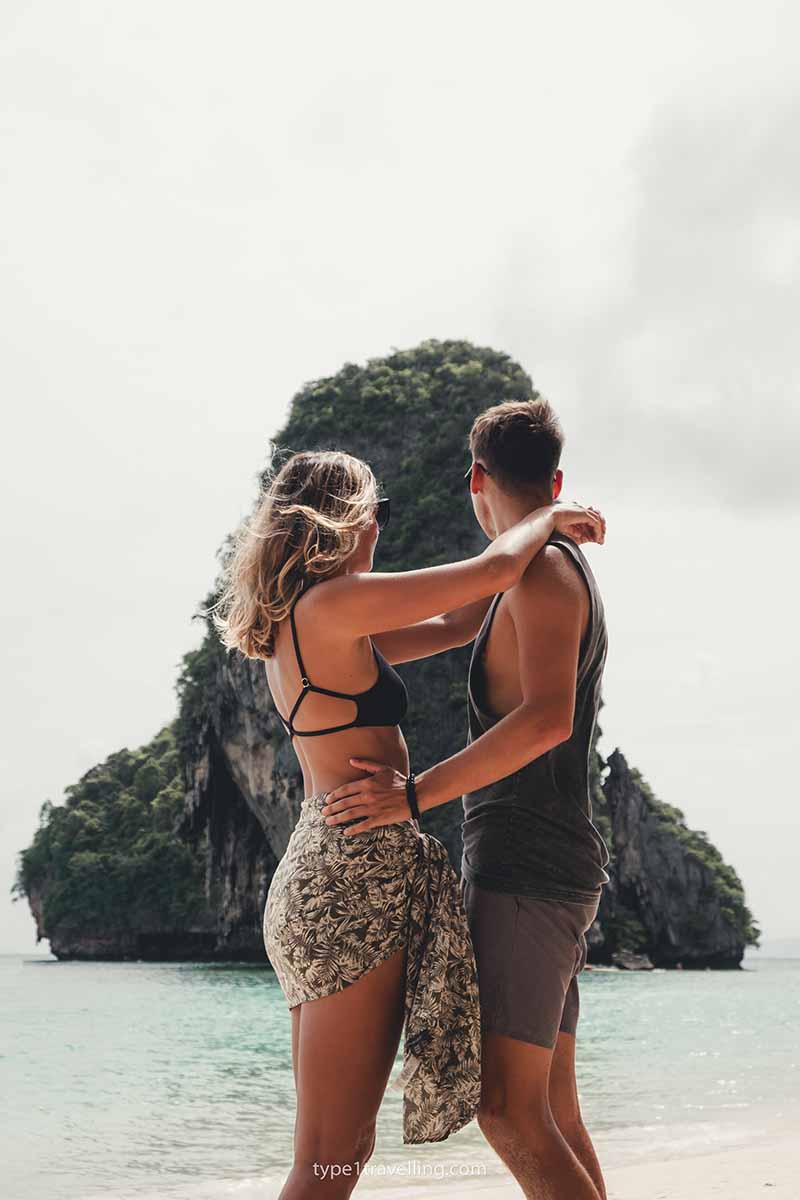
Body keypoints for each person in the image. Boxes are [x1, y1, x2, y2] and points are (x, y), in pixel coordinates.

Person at [212, 446, 604, 1200]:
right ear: (344, 520)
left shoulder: (313, 621)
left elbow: (463, 619)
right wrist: (547, 516)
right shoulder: (331, 605)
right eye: (377, 512)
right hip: (351, 884)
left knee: (332, 1152)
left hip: (331, 874)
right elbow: (490, 575)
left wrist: (535, 547)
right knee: (329, 1160)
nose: (381, 529)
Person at [323, 399, 611, 1200]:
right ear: (553, 480)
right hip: (540, 863)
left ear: (475, 477)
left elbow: (546, 719)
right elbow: (446, 619)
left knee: (508, 1113)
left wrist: (413, 796)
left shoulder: (547, 573)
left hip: (530, 867)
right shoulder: (526, 571)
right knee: (549, 1105)